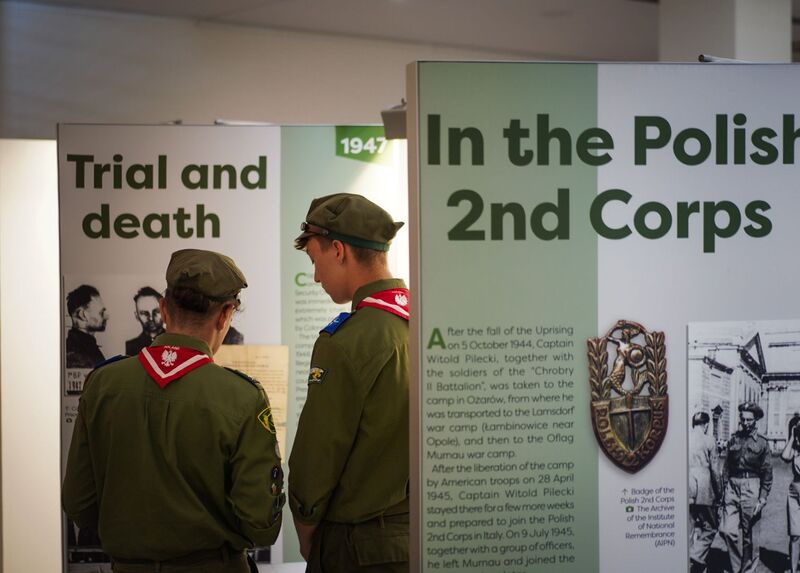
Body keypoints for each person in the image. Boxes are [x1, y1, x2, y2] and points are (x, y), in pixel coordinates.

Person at [62, 249, 284, 573]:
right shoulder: (242, 398)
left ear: (164, 309)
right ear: (225, 315)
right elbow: (262, 524)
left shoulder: (103, 384)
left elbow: (79, 506)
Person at [289, 193, 409, 572]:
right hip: (419, 538)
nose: (316, 276)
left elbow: (318, 456)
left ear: (338, 250)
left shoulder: (346, 342)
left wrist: (306, 528)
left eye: (315, 261)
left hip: (357, 548)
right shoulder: (428, 323)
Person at [719, 402, 773, 573]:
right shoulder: (734, 439)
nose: (745, 422)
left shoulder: (763, 443)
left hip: (752, 487)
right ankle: (737, 569)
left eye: (749, 419)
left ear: (755, 419)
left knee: (751, 537)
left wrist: (763, 497)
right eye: (743, 419)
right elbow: (726, 467)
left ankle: (748, 570)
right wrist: (724, 490)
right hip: (732, 487)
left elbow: (767, 473)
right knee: (727, 531)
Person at [689, 411, 721, 573]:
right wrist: (719, 491)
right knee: (711, 525)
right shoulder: (709, 440)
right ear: (707, 424)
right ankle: (695, 554)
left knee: (690, 525)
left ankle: (690, 564)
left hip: (686, 484)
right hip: (703, 485)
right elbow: (715, 469)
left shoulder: (684, 438)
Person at [65, 284, 108, 368]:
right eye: (101, 312)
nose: (107, 316)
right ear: (82, 315)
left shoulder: (87, 348)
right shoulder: (75, 356)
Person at [781, 414, 800, 573]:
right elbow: (784, 456)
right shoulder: (795, 448)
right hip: (794, 491)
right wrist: (793, 437)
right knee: (795, 535)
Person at [125, 286, 165, 355]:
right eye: (145, 313)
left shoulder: (174, 341)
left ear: (164, 311)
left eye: (156, 311)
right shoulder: (131, 346)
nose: (151, 318)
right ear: (137, 316)